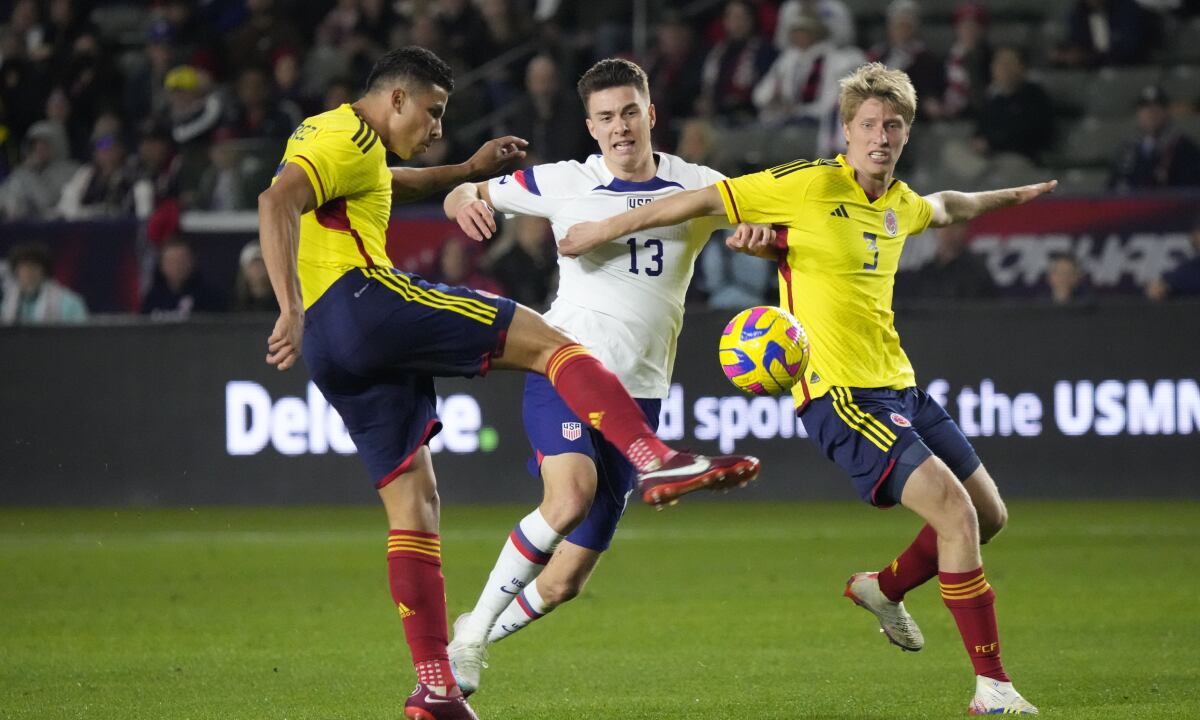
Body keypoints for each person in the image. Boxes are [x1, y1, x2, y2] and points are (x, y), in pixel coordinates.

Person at [256, 47, 761, 720]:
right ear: (397, 100)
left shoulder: (352, 150)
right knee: (552, 342)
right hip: (360, 301)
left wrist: (462, 172)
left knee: (416, 505)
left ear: (650, 115)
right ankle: (657, 459)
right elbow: (275, 201)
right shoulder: (342, 131)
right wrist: (286, 303)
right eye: (433, 113)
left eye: (630, 112)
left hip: (334, 351)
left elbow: (385, 183)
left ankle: (436, 686)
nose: (436, 128)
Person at [560, 62, 1053, 716]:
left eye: (894, 126)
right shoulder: (811, 184)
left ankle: (883, 588)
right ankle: (993, 689)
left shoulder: (897, 203)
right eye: (870, 124)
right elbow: (705, 200)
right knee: (956, 515)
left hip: (902, 387)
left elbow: (948, 206)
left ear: (907, 135)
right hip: (841, 395)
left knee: (988, 516)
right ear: (846, 130)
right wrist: (602, 229)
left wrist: (1011, 197)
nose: (881, 136)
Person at [440, 58, 772, 698]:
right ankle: (474, 637)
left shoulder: (700, 183)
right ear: (591, 128)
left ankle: (470, 635)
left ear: (649, 114)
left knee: (565, 581)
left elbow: (763, 223)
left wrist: (759, 234)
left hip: (642, 394)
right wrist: (461, 202)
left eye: (628, 113)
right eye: (605, 118)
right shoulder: (564, 181)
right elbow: (470, 190)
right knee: (568, 497)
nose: (619, 127)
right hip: (564, 364)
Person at [1109, 85, 1200, 190]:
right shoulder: (1127, 148)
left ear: (1167, 111)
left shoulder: (1184, 147)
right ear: (1138, 112)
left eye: (1157, 105)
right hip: (1132, 205)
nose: (1150, 112)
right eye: (1145, 106)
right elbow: (1112, 188)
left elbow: (1191, 191)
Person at [0, 242, 88, 325]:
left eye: (33, 267)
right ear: (15, 271)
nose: (28, 273)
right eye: (23, 267)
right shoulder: (5, 303)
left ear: (45, 271)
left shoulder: (70, 304)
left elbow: (81, 338)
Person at [140, 237, 225, 318]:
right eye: (171, 262)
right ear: (162, 266)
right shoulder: (153, 298)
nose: (177, 267)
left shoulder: (210, 297)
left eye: (182, 261)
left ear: (192, 262)